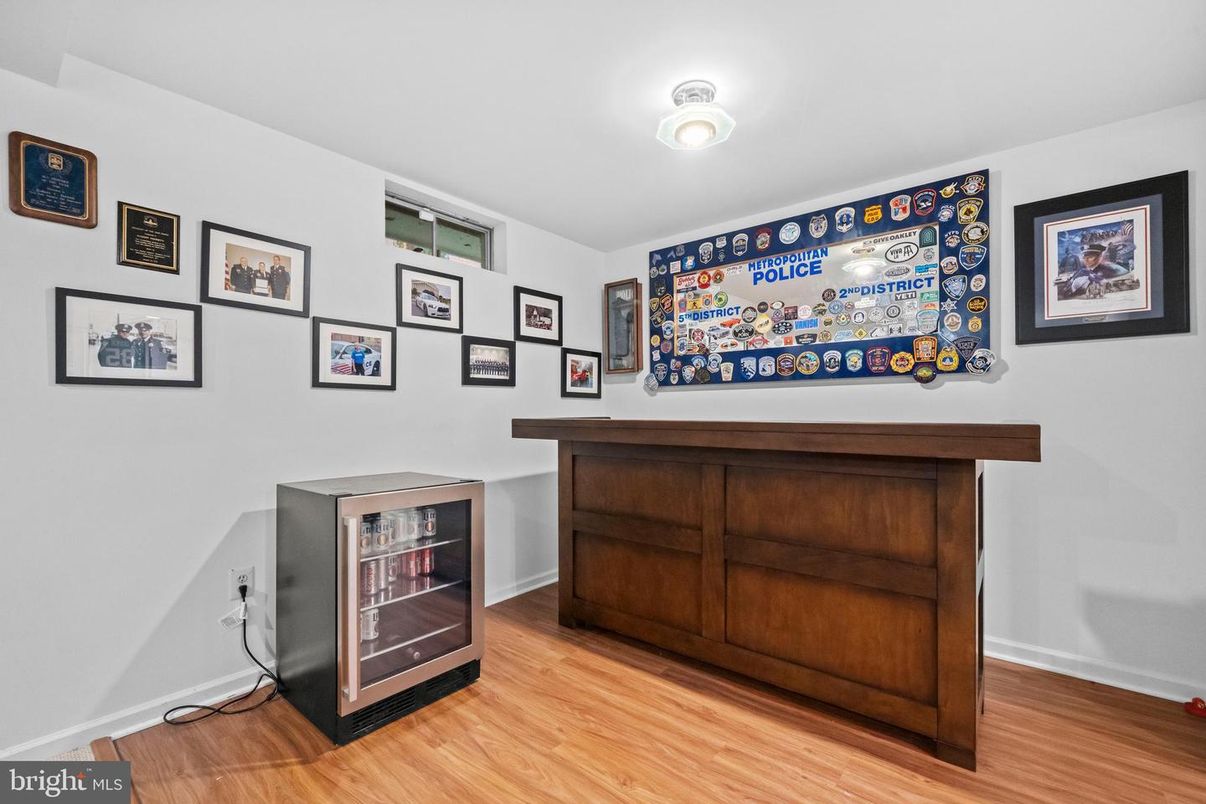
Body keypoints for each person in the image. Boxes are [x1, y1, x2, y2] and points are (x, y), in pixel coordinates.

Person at [1062, 243, 1130, 298]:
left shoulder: (1107, 272)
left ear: (1100, 257)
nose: (1086, 260)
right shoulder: (1082, 271)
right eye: (1084, 257)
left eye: (1090, 257)